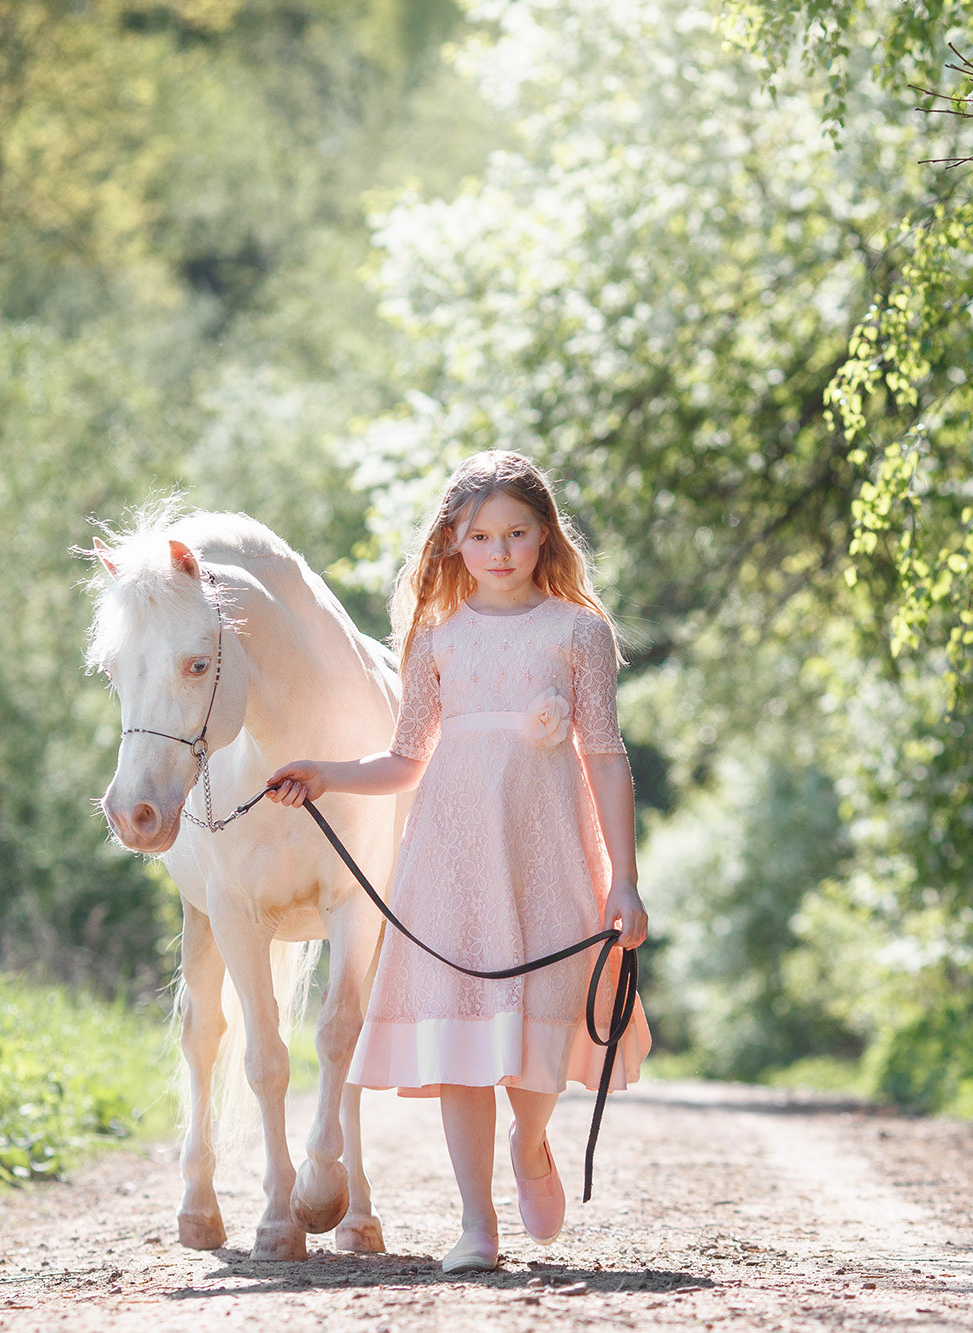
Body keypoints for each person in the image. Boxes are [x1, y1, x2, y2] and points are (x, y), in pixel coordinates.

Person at [266, 449, 653, 1273]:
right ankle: (476, 1223)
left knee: (541, 1030)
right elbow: (406, 758)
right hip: (452, 860)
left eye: (517, 532)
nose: (502, 550)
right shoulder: (437, 638)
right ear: (455, 541)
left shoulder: (580, 632)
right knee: (466, 1041)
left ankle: (534, 1140)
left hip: (547, 851)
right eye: (482, 536)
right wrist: (327, 773)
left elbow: (607, 756)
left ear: (545, 535)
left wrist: (622, 877)